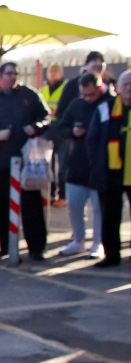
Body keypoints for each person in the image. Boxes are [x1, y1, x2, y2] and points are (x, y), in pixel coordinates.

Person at [0, 61, 52, 260]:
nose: (12, 77)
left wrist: (36, 127)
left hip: (27, 160)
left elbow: (46, 117)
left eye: (15, 74)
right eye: (8, 74)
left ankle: (36, 247)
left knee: (32, 204)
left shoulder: (29, 95)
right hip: (0, 159)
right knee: (4, 203)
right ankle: (6, 245)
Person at [56, 72, 111, 258]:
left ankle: (98, 242)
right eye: (84, 94)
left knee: (98, 208)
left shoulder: (109, 104)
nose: (88, 98)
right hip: (77, 162)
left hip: (99, 163)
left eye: (92, 94)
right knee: (74, 205)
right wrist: (72, 131)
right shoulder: (76, 104)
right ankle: (78, 240)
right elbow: (61, 127)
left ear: (100, 88)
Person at [86, 70, 131, 267]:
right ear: (118, 87)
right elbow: (93, 139)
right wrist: (97, 163)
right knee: (110, 215)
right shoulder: (106, 108)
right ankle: (111, 254)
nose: (129, 88)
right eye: (125, 84)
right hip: (110, 172)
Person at [41, 63, 68, 207]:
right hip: (47, 128)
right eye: (51, 71)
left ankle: (62, 195)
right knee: (47, 164)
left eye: (56, 71)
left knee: (62, 164)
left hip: (61, 128)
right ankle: (49, 194)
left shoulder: (66, 88)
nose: (53, 73)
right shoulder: (43, 89)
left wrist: (57, 112)